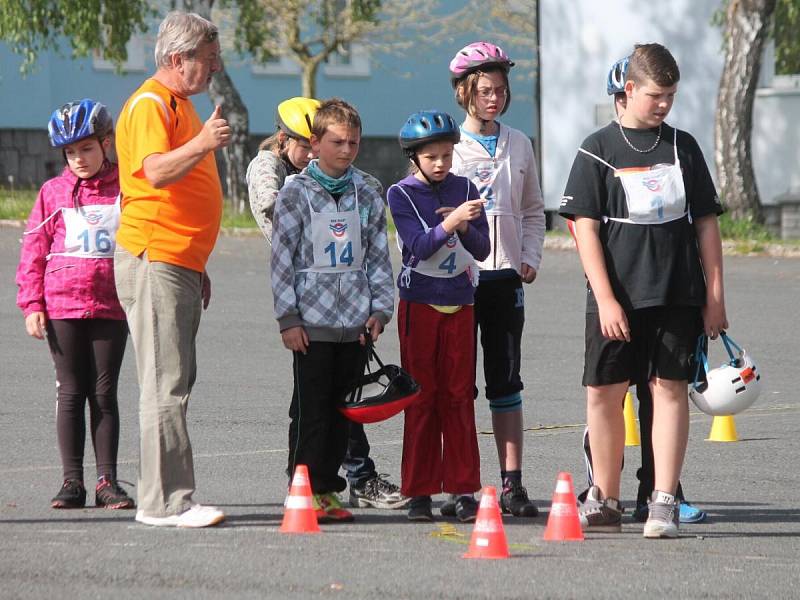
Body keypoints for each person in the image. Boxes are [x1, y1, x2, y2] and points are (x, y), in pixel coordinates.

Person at [559, 43, 726, 538]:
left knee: (670, 390)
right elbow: (585, 229)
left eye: (671, 96)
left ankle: (663, 499)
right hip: (618, 298)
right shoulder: (596, 150)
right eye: (655, 95)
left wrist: (715, 296)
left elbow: (707, 226)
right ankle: (605, 498)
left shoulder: (684, 147)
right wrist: (606, 297)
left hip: (678, 293)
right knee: (604, 394)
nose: (663, 105)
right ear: (629, 90)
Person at [246, 98, 407, 510]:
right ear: (315, 143)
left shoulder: (368, 191)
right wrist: (288, 318)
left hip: (354, 322)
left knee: (342, 413)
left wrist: (380, 309)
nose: (347, 150)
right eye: (337, 141)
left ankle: (329, 489)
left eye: (354, 142)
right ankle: (302, 488)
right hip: (311, 324)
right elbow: (282, 259)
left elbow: (376, 255)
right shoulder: (295, 194)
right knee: (310, 411)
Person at [113, 11, 230, 528]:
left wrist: (196, 263)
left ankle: (167, 497)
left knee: (174, 379)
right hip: (155, 256)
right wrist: (204, 142)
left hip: (175, 259)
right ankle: (165, 503)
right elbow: (154, 172)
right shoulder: (150, 104)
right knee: (165, 384)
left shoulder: (176, 103)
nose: (214, 68)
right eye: (207, 59)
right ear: (177, 59)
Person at [16, 99, 134, 511]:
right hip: (62, 303)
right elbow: (34, 248)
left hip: (111, 305)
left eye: (86, 148)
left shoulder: (126, 189)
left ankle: (107, 482)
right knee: (70, 392)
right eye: (70, 152)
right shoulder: (54, 193)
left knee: (104, 393)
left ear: (106, 144)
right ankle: (71, 482)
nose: (78, 159)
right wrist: (32, 302)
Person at [447, 41, 546, 517]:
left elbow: (531, 210)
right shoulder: (445, 146)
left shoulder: (519, 143)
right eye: (485, 90)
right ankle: (462, 483)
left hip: (505, 277)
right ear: (464, 92)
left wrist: (529, 256)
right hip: (459, 284)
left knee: (505, 382)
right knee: (458, 384)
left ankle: (512, 484)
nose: (494, 99)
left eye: (501, 91)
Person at [388, 110, 490, 522]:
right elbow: (418, 248)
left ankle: (464, 489)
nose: (441, 164)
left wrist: (468, 227)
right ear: (414, 157)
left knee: (459, 397)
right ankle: (419, 491)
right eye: (431, 157)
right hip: (420, 305)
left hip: (461, 303)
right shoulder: (401, 194)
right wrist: (452, 221)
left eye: (447, 155)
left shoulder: (465, 186)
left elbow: (483, 250)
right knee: (423, 398)